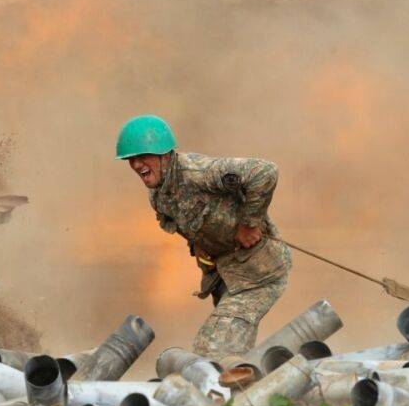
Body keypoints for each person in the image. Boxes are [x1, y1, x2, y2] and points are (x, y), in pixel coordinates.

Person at [116, 114, 291, 359]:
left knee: (214, 348)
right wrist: (201, 247)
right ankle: (251, 389)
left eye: (142, 157)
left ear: (165, 154)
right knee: (233, 352)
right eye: (130, 160)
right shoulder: (159, 196)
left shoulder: (200, 173)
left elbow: (265, 172)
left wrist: (250, 224)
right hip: (226, 276)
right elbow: (192, 224)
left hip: (259, 273)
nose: (136, 165)